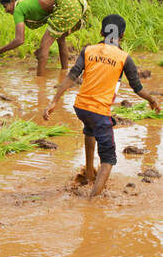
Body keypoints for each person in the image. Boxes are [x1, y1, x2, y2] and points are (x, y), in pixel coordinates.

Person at [42, 14, 160, 197]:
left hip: (81, 107)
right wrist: (152, 100)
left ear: (101, 32)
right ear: (122, 36)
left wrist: (54, 101)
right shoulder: (124, 58)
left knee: (90, 128)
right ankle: (92, 203)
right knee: (109, 158)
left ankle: (89, 174)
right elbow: (137, 88)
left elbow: (72, 76)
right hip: (98, 111)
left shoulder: (88, 50)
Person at [0, 0, 91, 76]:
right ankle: (64, 73)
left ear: (13, 1)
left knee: (44, 45)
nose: (6, 11)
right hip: (77, 0)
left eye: (5, 6)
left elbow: (19, 40)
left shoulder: (18, 8)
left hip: (68, 5)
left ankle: (40, 83)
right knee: (60, 39)